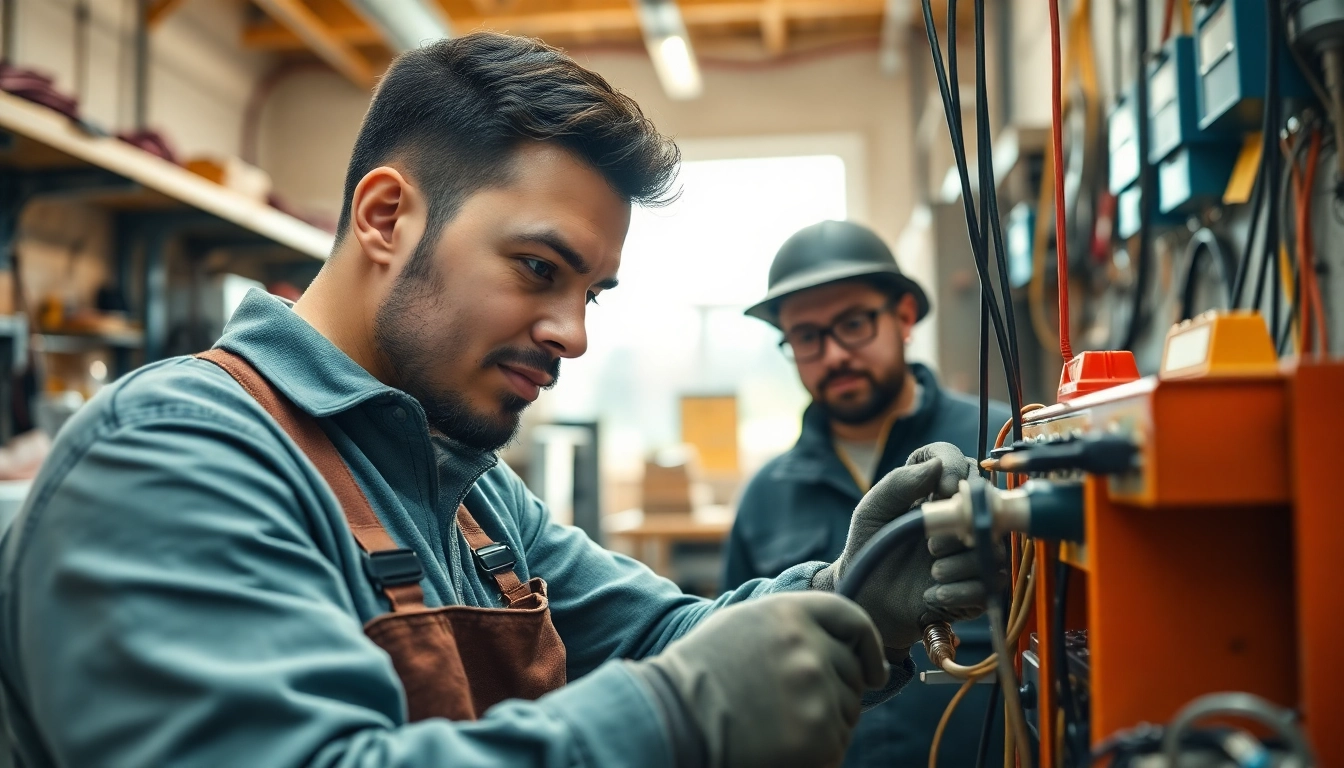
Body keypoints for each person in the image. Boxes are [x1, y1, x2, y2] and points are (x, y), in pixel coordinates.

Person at [0, 34, 996, 768]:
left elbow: (658, 636)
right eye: (537, 267)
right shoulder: (178, 461)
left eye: (591, 292)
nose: (574, 332)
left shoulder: (467, 492)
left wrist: (849, 591)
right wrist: (672, 723)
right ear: (387, 216)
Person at [724, 219, 1013, 767]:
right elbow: (742, 659)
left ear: (904, 318)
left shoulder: (1001, 445)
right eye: (807, 337)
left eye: (853, 323)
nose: (833, 355)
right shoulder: (766, 496)